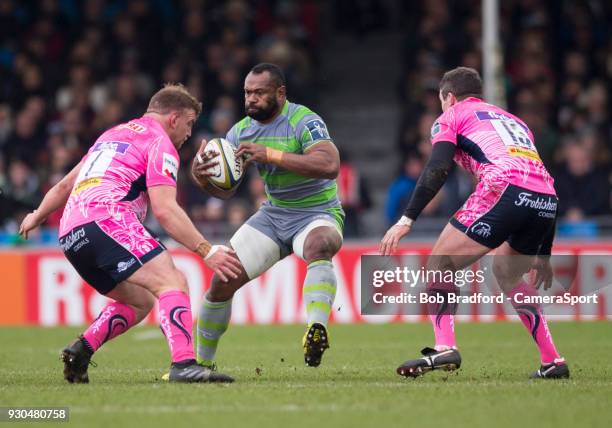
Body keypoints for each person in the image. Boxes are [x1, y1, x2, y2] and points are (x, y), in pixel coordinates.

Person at [19, 84, 241, 383]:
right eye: (189, 124)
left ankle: (80, 351)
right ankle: (184, 364)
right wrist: (206, 250)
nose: (189, 133)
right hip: (108, 219)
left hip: (71, 233)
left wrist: (37, 215)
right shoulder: (160, 143)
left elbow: (63, 186)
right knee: (172, 281)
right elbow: (165, 210)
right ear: (173, 118)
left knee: (141, 302)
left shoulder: (110, 136)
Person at [380, 67, 568, 379]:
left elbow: (438, 166)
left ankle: (445, 348)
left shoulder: (451, 116)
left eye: (442, 100)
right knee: (506, 271)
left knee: (439, 263)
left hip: (504, 187)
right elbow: (538, 179)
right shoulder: (515, 122)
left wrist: (406, 219)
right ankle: (553, 361)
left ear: (449, 97)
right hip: (546, 198)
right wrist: (543, 254)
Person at [192, 63, 343, 369]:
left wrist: (270, 154)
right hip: (274, 216)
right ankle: (199, 365)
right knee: (223, 280)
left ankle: (316, 329)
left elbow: (329, 164)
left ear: (280, 93)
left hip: (316, 211)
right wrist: (202, 176)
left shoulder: (304, 120)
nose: (251, 99)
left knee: (321, 244)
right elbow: (225, 191)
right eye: (247, 93)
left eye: (259, 93)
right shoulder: (241, 131)